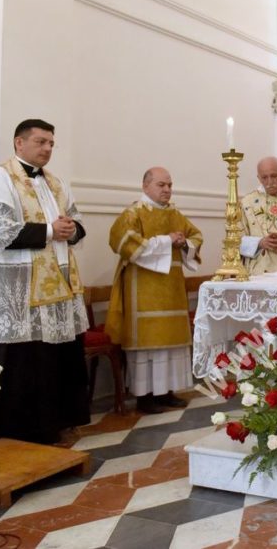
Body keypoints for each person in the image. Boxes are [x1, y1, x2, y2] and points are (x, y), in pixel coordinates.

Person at [0, 119, 89, 444]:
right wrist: (53, 231)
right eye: (41, 142)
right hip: (21, 290)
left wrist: (71, 228)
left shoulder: (56, 182)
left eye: (51, 143)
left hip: (60, 284)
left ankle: (61, 421)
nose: (47, 149)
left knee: (59, 358)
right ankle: (23, 431)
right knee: (27, 362)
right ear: (19, 143)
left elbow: (77, 220)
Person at [106, 167, 203, 414]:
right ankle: (145, 397)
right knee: (148, 346)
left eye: (170, 185)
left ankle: (167, 391)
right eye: (161, 185)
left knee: (170, 346)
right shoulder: (133, 213)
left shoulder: (175, 214)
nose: (167, 190)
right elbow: (123, 242)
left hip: (171, 289)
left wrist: (185, 243)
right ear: (145, 186)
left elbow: (196, 236)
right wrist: (167, 241)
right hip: (143, 291)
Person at [239, 156, 277, 275]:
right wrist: (259, 243)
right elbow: (235, 241)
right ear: (259, 178)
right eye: (264, 177)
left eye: (273, 176)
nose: (269, 182)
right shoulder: (247, 202)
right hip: (258, 270)